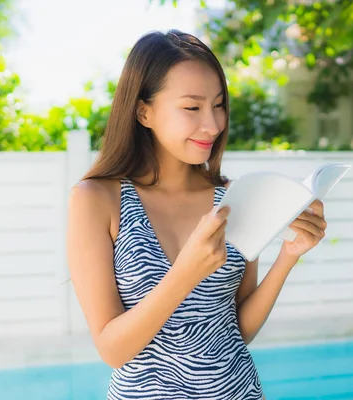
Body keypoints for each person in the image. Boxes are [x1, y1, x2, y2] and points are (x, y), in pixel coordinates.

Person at [66, 30, 327, 400]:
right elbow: (112, 350)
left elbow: (237, 329)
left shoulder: (233, 196)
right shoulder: (96, 200)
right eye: (193, 107)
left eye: (218, 105)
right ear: (144, 111)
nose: (214, 124)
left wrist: (288, 255)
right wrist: (185, 274)